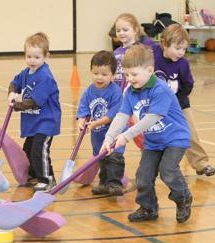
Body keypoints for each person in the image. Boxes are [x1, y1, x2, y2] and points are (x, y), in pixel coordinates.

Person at [101, 44, 193, 223]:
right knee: (143, 177)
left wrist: (126, 136)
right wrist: (109, 137)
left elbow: (152, 118)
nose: (130, 79)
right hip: (153, 141)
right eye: (127, 75)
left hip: (175, 138)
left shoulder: (160, 90)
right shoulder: (130, 92)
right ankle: (148, 208)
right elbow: (122, 115)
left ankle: (182, 196)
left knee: (168, 171)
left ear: (150, 70)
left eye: (134, 74)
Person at [152, 24, 215, 177]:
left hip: (178, 103)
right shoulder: (152, 56)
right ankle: (153, 165)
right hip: (155, 105)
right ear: (164, 44)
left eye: (184, 49)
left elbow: (188, 84)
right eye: (177, 48)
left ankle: (201, 163)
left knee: (189, 132)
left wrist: (178, 99)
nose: (181, 52)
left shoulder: (183, 64)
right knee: (153, 134)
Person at [7, 32, 61, 192]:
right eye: (29, 56)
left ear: (46, 56)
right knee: (28, 150)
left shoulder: (45, 76)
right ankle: (33, 174)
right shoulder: (26, 72)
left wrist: (17, 105)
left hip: (46, 121)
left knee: (39, 149)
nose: (32, 61)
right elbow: (14, 82)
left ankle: (47, 179)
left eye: (37, 57)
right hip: (33, 121)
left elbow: (34, 101)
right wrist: (11, 92)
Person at [77, 51, 125, 196]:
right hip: (97, 135)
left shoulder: (115, 92)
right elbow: (83, 108)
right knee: (101, 159)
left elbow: (112, 115)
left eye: (104, 74)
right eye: (96, 73)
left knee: (114, 158)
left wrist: (95, 123)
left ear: (113, 75)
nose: (99, 77)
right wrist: (81, 121)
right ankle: (104, 183)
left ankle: (114, 184)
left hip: (113, 135)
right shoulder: (89, 92)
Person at [113, 13, 156, 91]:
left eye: (125, 30)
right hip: (118, 92)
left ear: (135, 30)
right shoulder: (115, 52)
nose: (121, 33)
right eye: (118, 30)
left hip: (134, 91)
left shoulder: (140, 50)